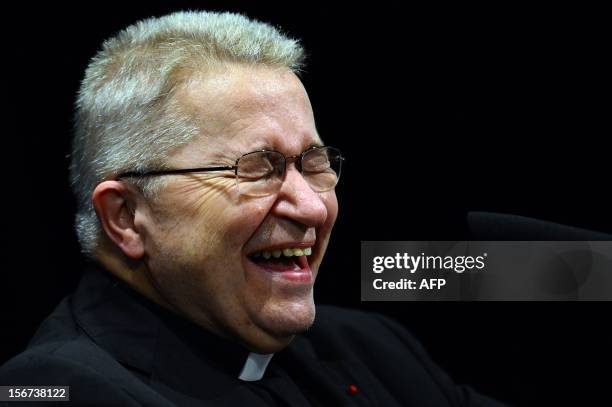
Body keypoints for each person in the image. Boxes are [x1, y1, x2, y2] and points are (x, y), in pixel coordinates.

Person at [0, 11, 506, 406]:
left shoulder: (372, 345)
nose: (311, 208)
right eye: (257, 169)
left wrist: (581, 279)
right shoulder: (57, 389)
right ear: (127, 216)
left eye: (314, 163)